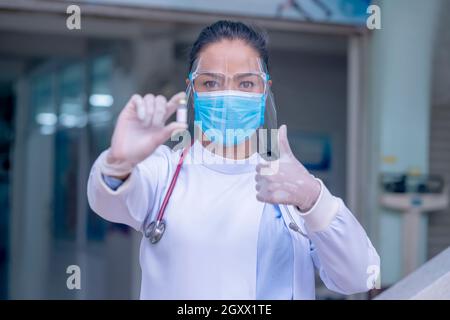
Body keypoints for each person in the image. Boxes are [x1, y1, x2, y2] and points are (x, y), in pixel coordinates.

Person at [87, 20, 380, 300]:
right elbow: (107, 202)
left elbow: (358, 276)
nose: (228, 94)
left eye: (246, 83)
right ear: (191, 89)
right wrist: (118, 164)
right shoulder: (164, 171)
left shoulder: (290, 184)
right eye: (211, 83)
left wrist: (315, 199)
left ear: (265, 88)